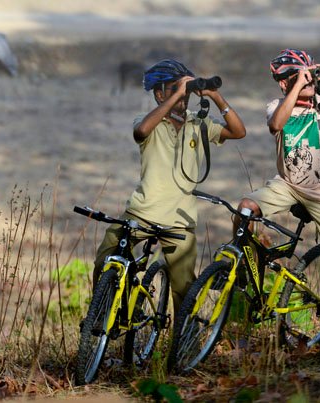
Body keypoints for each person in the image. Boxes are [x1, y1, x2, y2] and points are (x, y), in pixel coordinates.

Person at [92, 59, 246, 312]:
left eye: (184, 89)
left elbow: (238, 132)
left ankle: (185, 344)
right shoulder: (148, 120)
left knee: (185, 287)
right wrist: (175, 97)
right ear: (159, 93)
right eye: (174, 88)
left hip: (180, 219)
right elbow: (141, 131)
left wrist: (216, 97)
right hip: (142, 212)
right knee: (105, 259)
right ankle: (102, 315)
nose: (183, 95)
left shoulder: (199, 123)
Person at [237, 49, 320, 266]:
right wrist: (298, 85)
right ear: (284, 84)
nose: (308, 79)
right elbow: (276, 125)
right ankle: (243, 264)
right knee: (246, 206)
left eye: (309, 73)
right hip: (288, 185)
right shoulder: (276, 106)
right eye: (299, 76)